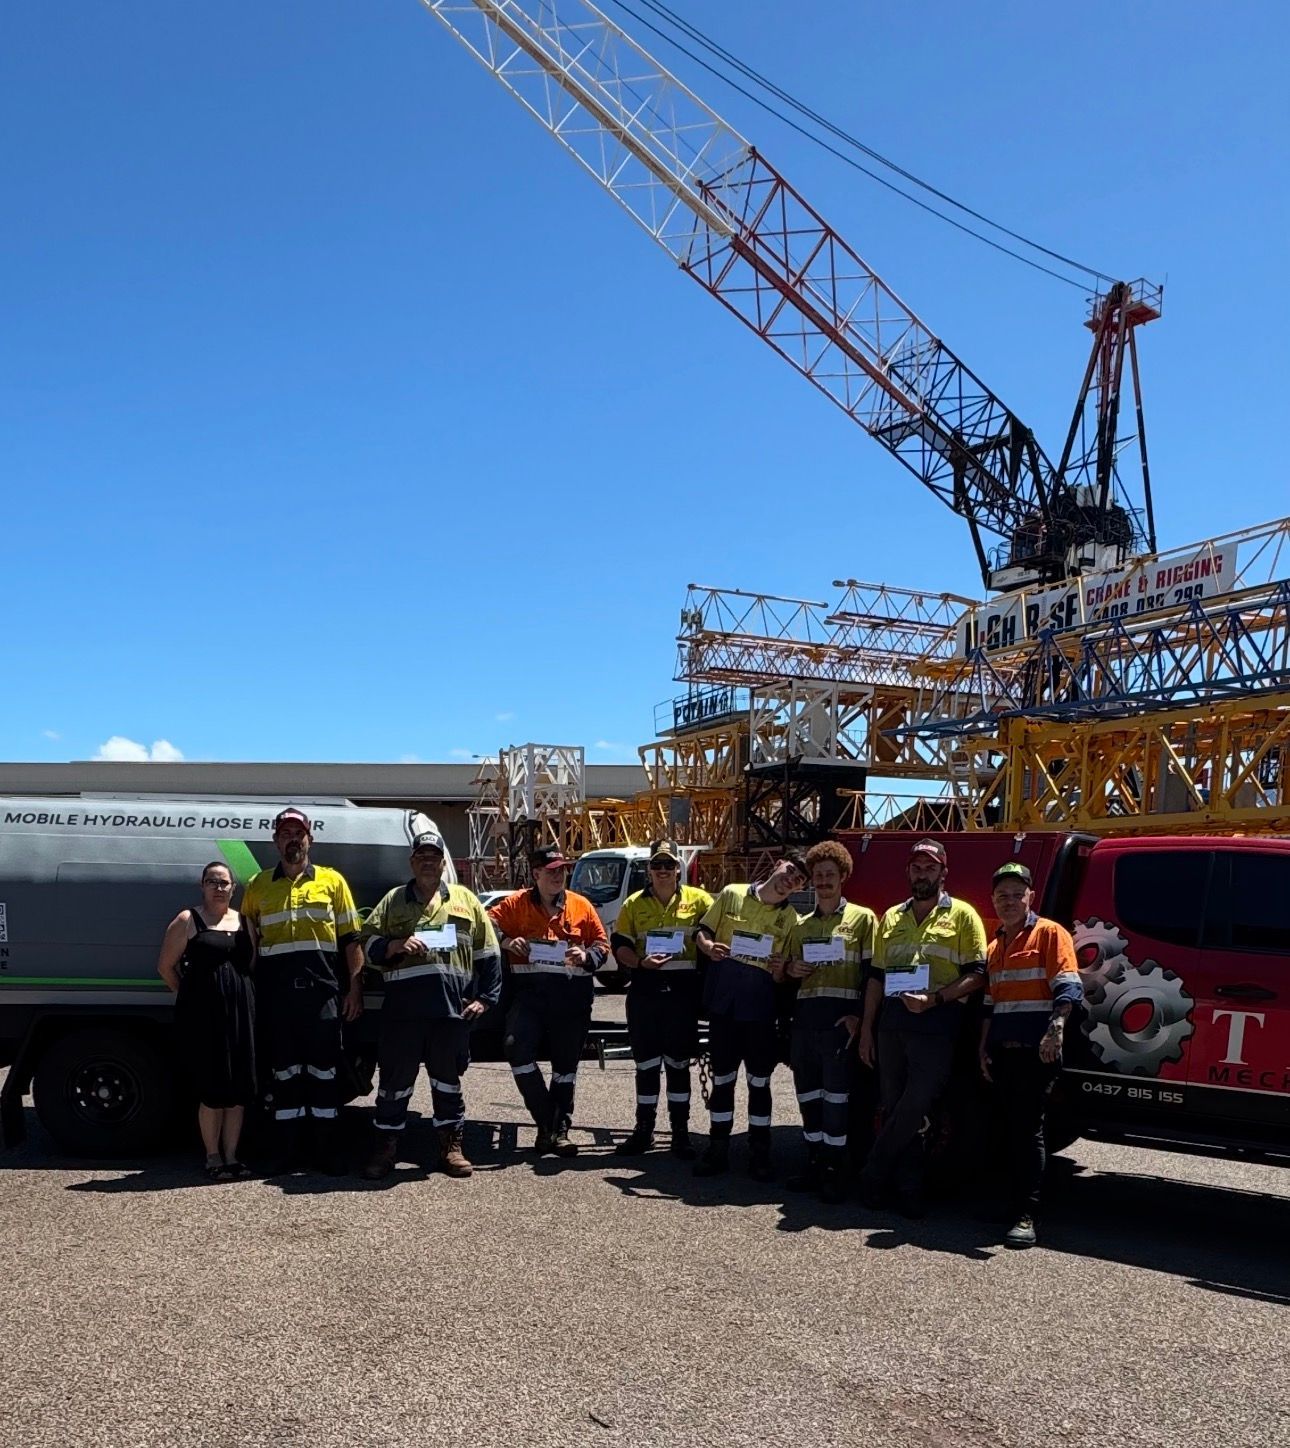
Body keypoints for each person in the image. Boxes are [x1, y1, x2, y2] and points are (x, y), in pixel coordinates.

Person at [359, 827, 501, 1180]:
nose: (427, 862)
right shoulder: (393, 900)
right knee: (394, 1083)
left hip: (450, 1012)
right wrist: (392, 947)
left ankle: (451, 1148)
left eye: (433, 858)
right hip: (403, 1013)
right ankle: (385, 1149)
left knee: (448, 1081)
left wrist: (485, 998)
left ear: (442, 864)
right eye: (421, 857)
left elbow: (490, 953)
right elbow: (366, 943)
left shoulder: (465, 901)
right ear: (412, 862)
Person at [857, 839, 988, 1216]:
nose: (922, 873)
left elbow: (978, 975)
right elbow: (877, 976)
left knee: (916, 1104)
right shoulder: (892, 917)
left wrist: (934, 1000)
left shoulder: (963, 916)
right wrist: (867, 1028)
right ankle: (909, 1187)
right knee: (895, 1105)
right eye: (916, 868)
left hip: (936, 1021)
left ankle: (873, 1173)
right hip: (892, 1021)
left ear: (943, 872)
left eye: (930, 868)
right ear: (908, 872)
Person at [240, 807, 364, 1174]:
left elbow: (351, 939)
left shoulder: (332, 881)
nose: (293, 839)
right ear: (276, 841)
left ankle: (326, 1152)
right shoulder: (258, 885)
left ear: (310, 839)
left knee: (324, 1073)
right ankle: (285, 1153)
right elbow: (249, 941)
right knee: (285, 1074)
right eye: (285, 833)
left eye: (299, 833)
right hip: (276, 997)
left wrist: (355, 988)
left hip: (322, 994)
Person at [980, 861, 1083, 1248]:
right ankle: (1008, 1204)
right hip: (1002, 1054)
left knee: (1027, 1131)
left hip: (1035, 1053)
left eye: (1016, 894)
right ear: (993, 900)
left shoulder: (1049, 933)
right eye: (1002, 895)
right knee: (1004, 1129)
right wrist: (982, 1048)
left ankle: (1027, 1214)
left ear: (1031, 897)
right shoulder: (995, 945)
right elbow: (990, 1005)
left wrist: (1056, 1029)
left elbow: (1068, 986)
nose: (1009, 901)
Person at [693, 853, 807, 1181]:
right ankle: (717, 1149)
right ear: (778, 864)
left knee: (760, 1083)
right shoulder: (731, 893)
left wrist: (779, 971)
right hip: (724, 1008)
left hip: (760, 1011)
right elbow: (702, 931)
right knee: (723, 1080)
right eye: (790, 871)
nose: (791, 880)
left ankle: (760, 1152)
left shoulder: (792, 921)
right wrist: (708, 946)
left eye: (799, 880)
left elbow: (785, 975)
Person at [488, 846, 609, 1157]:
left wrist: (586, 956)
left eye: (562, 869)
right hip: (530, 997)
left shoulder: (581, 906)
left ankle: (558, 1131)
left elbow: (601, 943)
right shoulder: (515, 904)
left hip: (571, 1000)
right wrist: (505, 940)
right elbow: (485, 922)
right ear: (536, 874)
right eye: (552, 870)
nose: (559, 875)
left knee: (565, 1068)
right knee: (516, 1047)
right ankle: (548, 1122)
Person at [783, 840, 876, 1203]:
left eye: (829, 874)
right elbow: (785, 974)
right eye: (818, 875)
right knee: (808, 1097)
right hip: (806, 1020)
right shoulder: (801, 925)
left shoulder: (863, 919)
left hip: (841, 1021)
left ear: (843, 877)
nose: (823, 880)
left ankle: (836, 1171)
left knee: (837, 1100)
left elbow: (872, 975)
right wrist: (791, 968)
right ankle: (814, 1164)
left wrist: (861, 1018)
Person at [609, 840, 713, 1159]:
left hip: (683, 995)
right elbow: (620, 946)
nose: (663, 871)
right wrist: (640, 963)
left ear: (679, 868)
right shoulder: (633, 904)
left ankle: (680, 1133)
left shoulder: (700, 900)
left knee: (679, 1065)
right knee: (646, 1066)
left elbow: (714, 934)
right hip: (646, 991)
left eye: (669, 865)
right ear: (649, 869)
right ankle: (644, 1131)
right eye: (658, 865)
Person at [157, 860, 257, 1180]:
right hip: (205, 1020)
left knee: (238, 1091)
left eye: (224, 883)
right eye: (212, 882)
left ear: (233, 888)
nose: (219, 888)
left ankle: (232, 1156)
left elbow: (250, 963)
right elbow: (165, 967)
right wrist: (192, 1000)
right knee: (212, 1090)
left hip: (241, 1016)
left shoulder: (245, 922)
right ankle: (212, 1157)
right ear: (202, 886)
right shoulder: (189, 920)